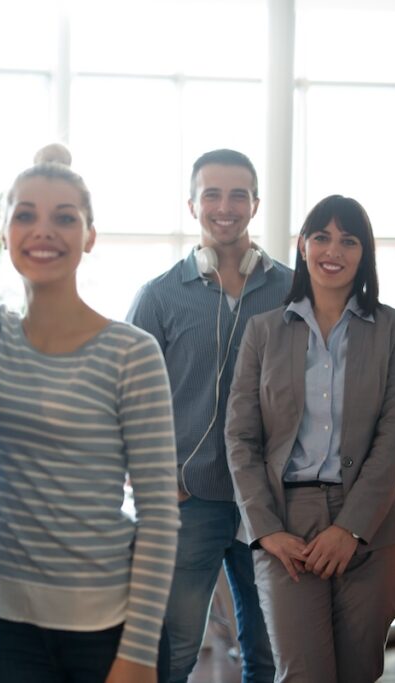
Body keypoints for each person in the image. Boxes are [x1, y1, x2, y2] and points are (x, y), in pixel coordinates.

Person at [0, 143, 180, 683]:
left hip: (109, 627)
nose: (43, 231)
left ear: (89, 236)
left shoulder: (130, 352)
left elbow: (159, 514)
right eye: (25, 215)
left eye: (64, 218)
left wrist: (138, 651)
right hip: (9, 617)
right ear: (3, 234)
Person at [225, 194, 395, 683]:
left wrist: (351, 528)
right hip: (285, 525)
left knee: (360, 672)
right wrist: (265, 528)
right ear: (302, 245)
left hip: (373, 524)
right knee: (302, 673)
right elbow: (241, 436)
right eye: (321, 236)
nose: (333, 250)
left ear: (364, 253)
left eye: (349, 239)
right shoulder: (263, 331)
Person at [127, 149, 290, 683]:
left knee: (269, 651)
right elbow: (126, 398)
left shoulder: (292, 291)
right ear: (193, 203)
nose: (226, 207)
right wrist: (153, 480)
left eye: (238, 194)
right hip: (187, 499)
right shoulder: (159, 295)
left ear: (255, 203)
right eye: (212, 194)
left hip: (268, 502)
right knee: (173, 654)